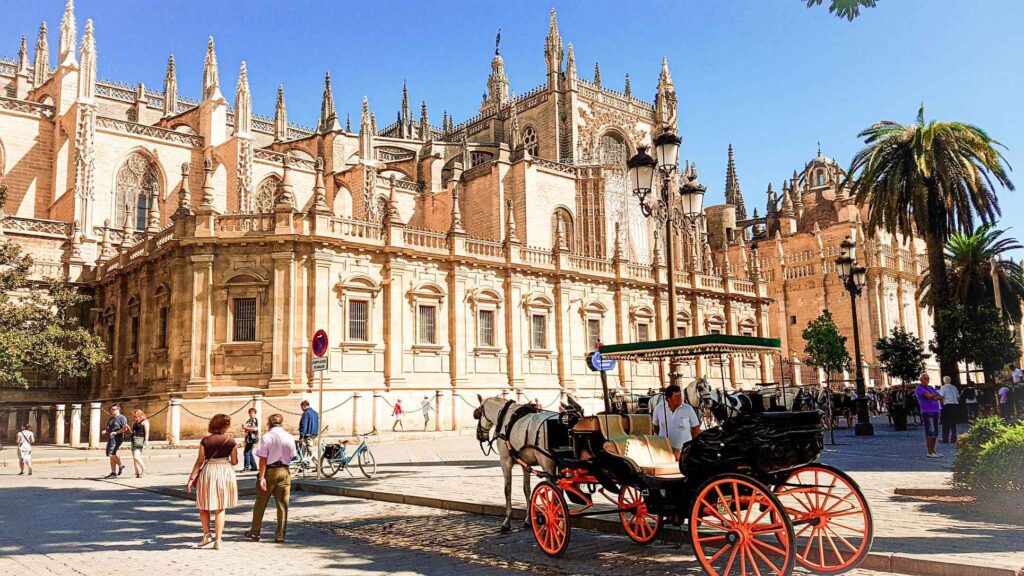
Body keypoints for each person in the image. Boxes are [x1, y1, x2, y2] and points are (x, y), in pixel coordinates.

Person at [185, 414, 238, 550]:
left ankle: (207, 535)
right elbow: (234, 462)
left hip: (209, 471)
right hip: (225, 472)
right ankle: (218, 540)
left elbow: (199, 461)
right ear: (226, 426)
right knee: (220, 507)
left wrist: (191, 479)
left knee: (204, 505)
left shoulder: (205, 441)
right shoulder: (231, 441)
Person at [245, 413, 297, 544]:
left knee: (260, 503)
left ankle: (255, 531)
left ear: (269, 424)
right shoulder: (290, 437)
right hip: (285, 471)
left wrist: (261, 477)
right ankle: (280, 534)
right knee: (283, 505)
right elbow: (293, 455)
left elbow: (263, 459)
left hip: (270, 471)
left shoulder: (266, 437)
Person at [650, 384, 701, 460]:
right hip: (664, 451)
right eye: (676, 396)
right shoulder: (659, 409)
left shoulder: (688, 409)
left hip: (684, 452)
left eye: (680, 395)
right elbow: (655, 428)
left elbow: (696, 430)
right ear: (668, 398)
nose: (680, 398)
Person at [915, 374, 943, 458]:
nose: (927, 380)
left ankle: (933, 451)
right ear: (921, 379)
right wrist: (935, 396)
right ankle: (929, 452)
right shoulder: (919, 388)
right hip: (927, 412)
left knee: (935, 432)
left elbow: (939, 396)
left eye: (928, 378)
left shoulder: (930, 387)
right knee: (930, 432)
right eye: (925, 378)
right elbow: (930, 396)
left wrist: (934, 396)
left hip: (935, 411)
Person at [100, 404, 130, 478]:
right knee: (110, 455)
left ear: (118, 410)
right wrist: (105, 431)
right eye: (111, 409)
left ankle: (121, 466)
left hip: (118, 438)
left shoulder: (122, 418)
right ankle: (113, 473)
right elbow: (109, 429)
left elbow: (125, 429)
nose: (112, 411)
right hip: (111, 438)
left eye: (114, 409)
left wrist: (116, 432)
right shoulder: (111, 419)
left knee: (111, 453)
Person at [938, 376, 960, 444]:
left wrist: (942, 405)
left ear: (944, 380)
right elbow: (958, 397)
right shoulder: (954, 387)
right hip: (954, 405)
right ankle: (953, 438)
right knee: (953, 423)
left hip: (946, 406)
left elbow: (941, 397)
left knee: (945, 423)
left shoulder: (943, 387)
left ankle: (945, 439)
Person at [130, 409, 149, 478]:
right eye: (134, 416)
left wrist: (146, 440)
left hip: (140, 439)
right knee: (134, 458)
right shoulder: (135, 422)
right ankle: (137, 472)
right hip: (133, 439)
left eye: (135, 415)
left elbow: (147, 432)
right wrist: (129, 428)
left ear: (139, 414)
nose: (134, 417)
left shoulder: (145, 422)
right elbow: (132, 431)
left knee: (136, 456)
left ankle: (144, 469)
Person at [242, 407, 259, 472]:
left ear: (255, 413)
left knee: (246, 453)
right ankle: (254, 466)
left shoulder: (255, 420)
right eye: (250, 413)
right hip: (248, 438)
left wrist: (246, 427)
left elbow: (255, 429)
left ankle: (246, 467)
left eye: (252, 413)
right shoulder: (249, 420)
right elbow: (247, 429)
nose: (251, 414)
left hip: (252, 438)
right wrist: (245, 428)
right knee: (249, 453)